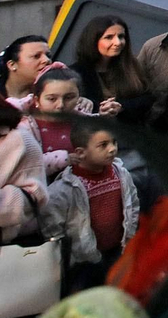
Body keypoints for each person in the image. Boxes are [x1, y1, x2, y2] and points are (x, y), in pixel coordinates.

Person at [41, 116, 136, 294]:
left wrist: (130, 235)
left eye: (114, 142)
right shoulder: (65, 189)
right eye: (103, 145)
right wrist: (64, 260)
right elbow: (52, 227)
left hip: (118, 250)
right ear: (80, 152)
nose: (112, 149)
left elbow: (132, 204)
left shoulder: (121, 174)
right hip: (83, 261)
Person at [71, 15, 147, 125]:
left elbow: (147, 98)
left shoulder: (131, 65)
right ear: (93, 40)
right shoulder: (76, 72)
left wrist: (121, 106)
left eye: (121, 36)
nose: (118, 42)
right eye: (109, 37)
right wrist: (99, 108)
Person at [0, 35, 51, 103]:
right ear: (12, 65)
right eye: (36, 56)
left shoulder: (57, 92)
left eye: (48, 56)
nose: (46, 60)